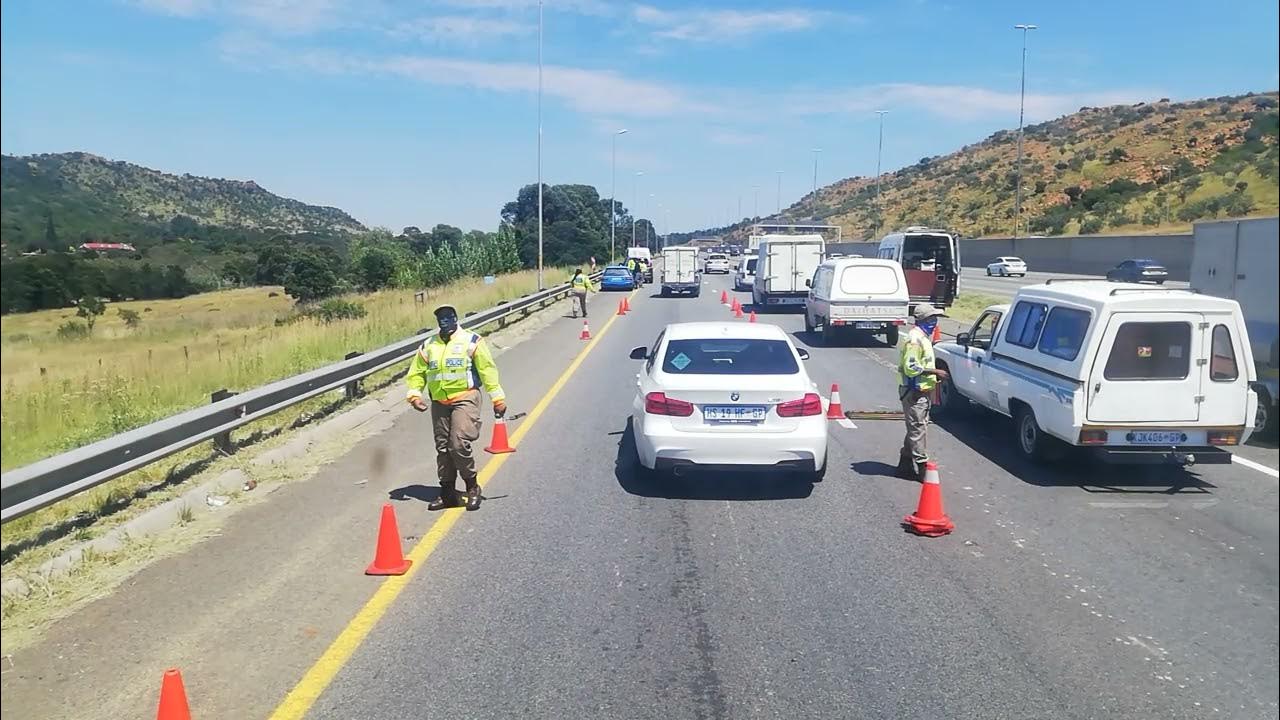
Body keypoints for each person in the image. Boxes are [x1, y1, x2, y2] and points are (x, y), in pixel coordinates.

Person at [405, 305, 507, 511]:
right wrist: (414, 395)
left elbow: (487, 370)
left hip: (465, 396)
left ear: (455, 318)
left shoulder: (472, 341)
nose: (444, 322)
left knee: (458, 443)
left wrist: (497, 398)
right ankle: (448, 493)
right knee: (443, 448)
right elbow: (417, 372)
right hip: (439, 402)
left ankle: (472, 486)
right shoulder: (429, 345)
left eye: (447, 317)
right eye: (440, 319)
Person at [897, 304, 949, 481]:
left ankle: (904, 463)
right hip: (914, 392)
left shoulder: (923, 338)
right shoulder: (915, 340)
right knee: (918, 428)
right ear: (922, 320)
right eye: (931, 319)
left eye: (935, 319)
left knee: (916, 427)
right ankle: (922, 468)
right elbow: (910, 368)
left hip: (922, 391)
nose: (935, 322)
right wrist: (935, 372)